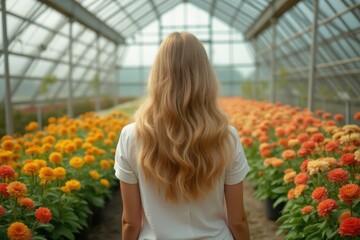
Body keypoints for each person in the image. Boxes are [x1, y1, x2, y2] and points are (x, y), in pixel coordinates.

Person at [114, 32, 250, 240]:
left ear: (157, 75)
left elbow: (130, 222)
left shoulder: (131, 136)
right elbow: (238, 220)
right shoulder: (227, 137)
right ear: (206, 76)